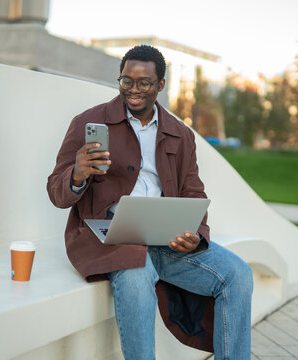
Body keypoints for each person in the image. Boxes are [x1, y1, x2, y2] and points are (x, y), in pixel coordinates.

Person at [47, 45, 253, 360]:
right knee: (135, 269)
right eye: (126, 80)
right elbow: (56, 192)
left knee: (238, 274)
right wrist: (77, 174)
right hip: (108, 240)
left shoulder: (180, 134)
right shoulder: (87, 122)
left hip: (165, 240)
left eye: (144, 83)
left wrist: (194, 233)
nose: (133, 89)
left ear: (160, 85)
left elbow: (193, 191)